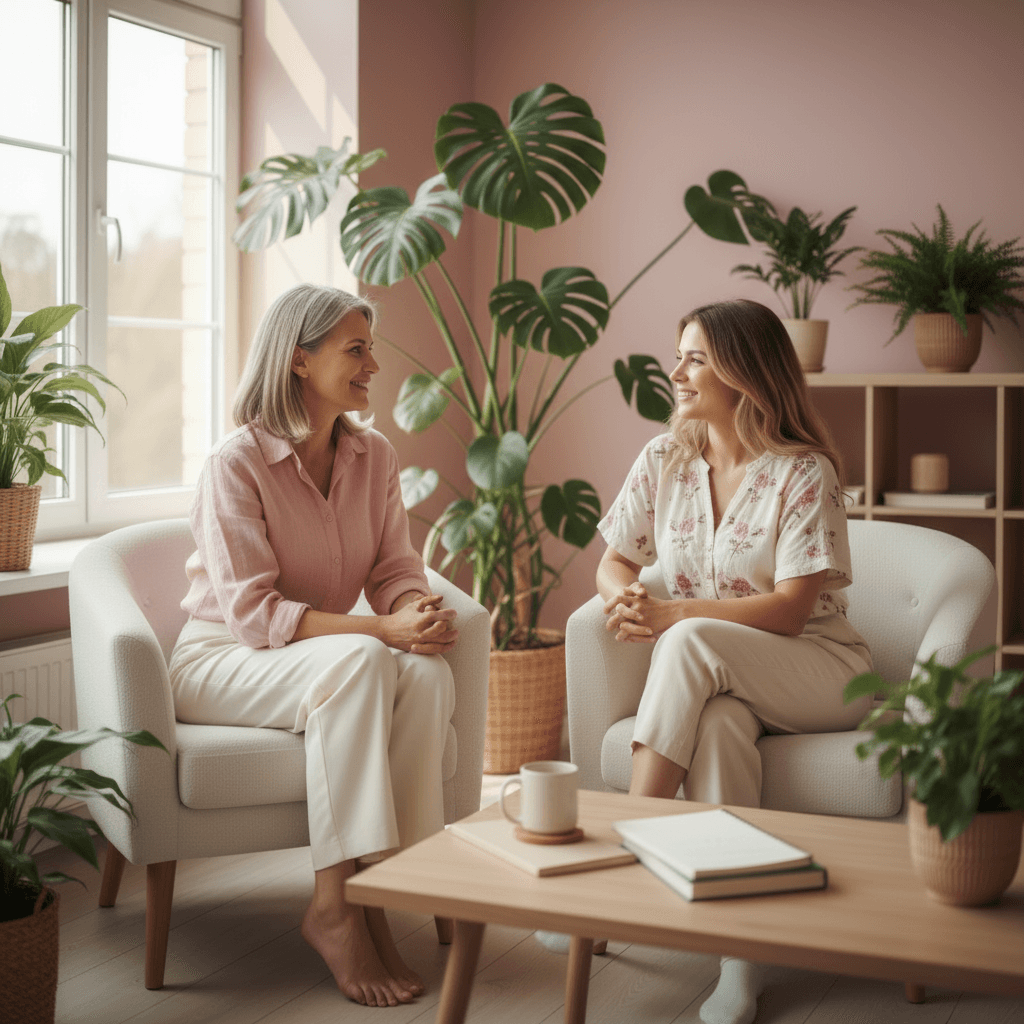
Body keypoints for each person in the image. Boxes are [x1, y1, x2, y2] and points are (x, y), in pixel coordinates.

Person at [168, 284, 459, 1008]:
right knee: (365, 658)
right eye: (355, 349)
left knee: (424, 677)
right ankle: (333, 906)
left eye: (371, 348)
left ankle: (382, 889)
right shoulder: (234, 465)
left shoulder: (374, 455)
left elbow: (394, 566)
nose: (374, 365)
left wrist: (414, 610)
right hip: (221, 659)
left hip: (310, 657)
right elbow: (254, 613)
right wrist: (379, 630)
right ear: (299, 360)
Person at [596, 299, 873, 1024]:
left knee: (687, 640)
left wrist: (671, 616)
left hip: (820, 667)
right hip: (724, 680)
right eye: (680, 353)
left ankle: (617, 856)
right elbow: (614, 562)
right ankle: (738, 960)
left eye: (695, 358)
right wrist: (626, 600)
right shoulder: (665, 457)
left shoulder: (802, 471)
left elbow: (787, 610)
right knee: (717, 726)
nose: (677, 371)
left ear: (745, 374)